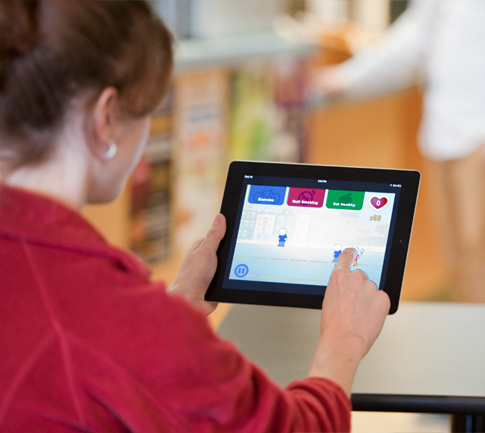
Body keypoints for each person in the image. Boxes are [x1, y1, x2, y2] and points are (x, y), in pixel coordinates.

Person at [0, 1, 390, 431]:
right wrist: (344, 341)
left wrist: (172, 305)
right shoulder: (110, 316)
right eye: (148, 107)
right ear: (106, 118)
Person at [313, 0, 485, 303]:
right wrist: (348, 78)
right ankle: (473, 350)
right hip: (444, 132)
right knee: (460, 272)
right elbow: (419, 34)